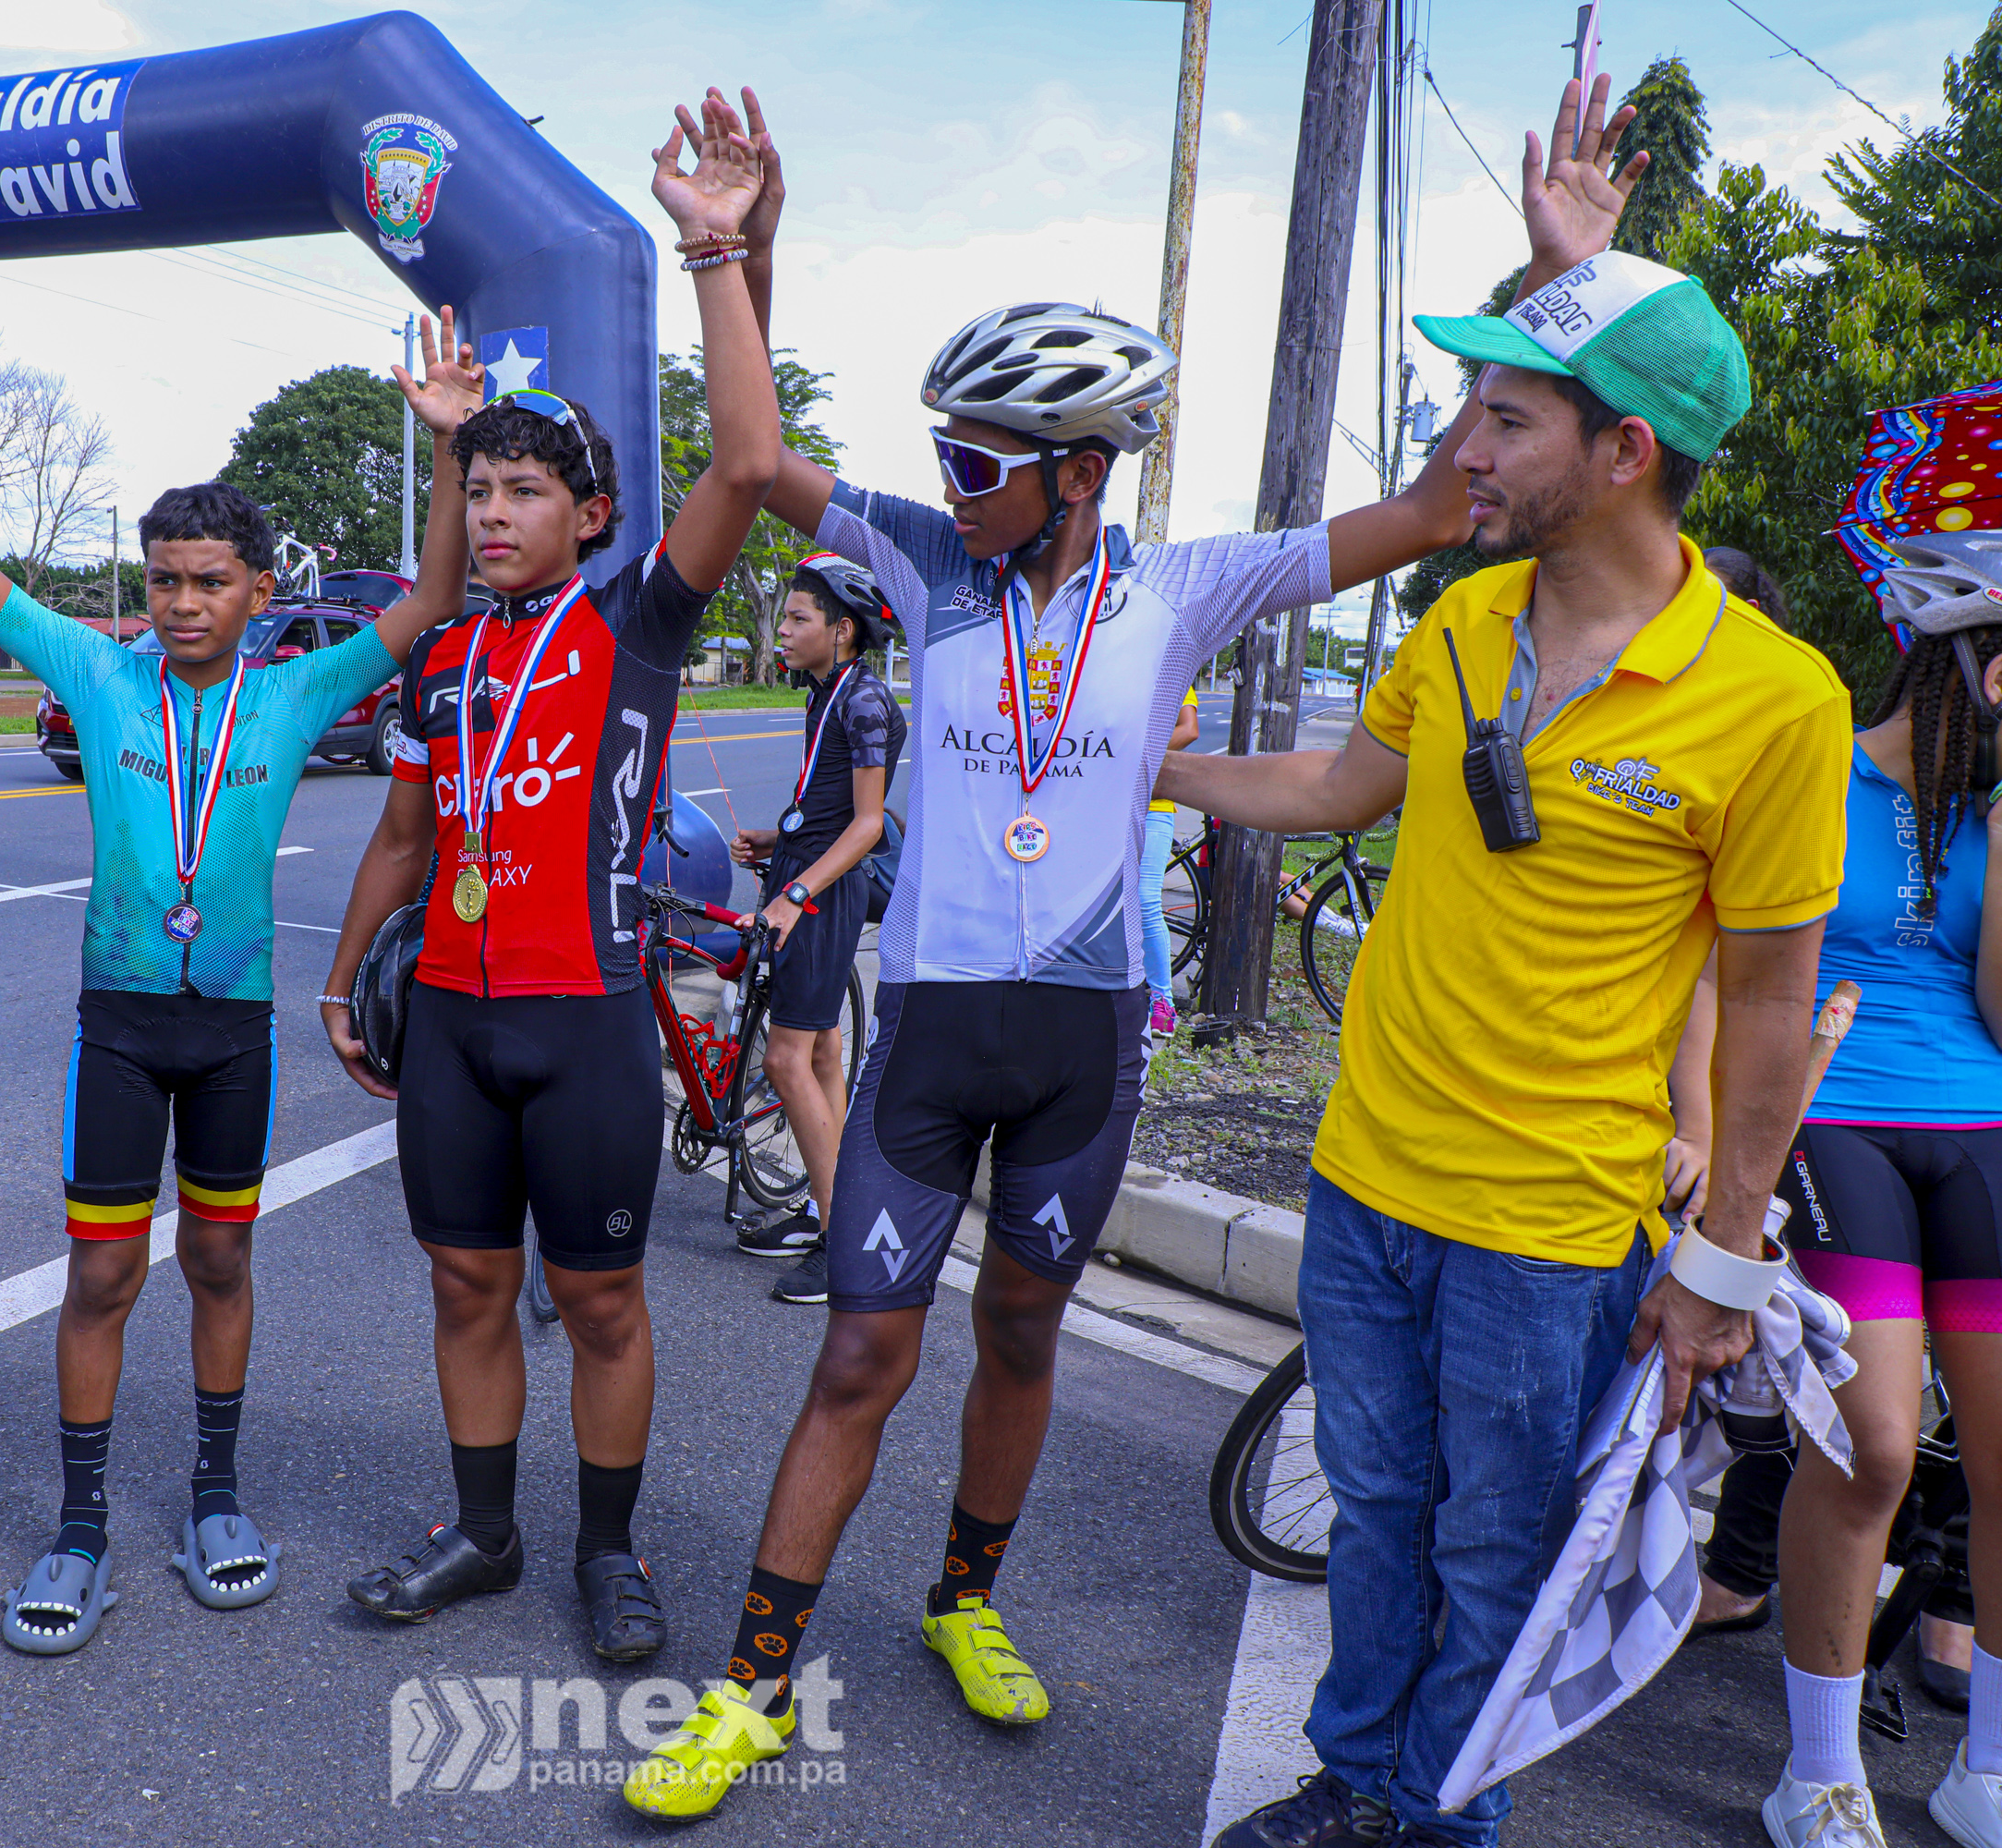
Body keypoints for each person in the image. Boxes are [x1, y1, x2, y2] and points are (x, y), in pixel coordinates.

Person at [620, 76, 1632, 1824]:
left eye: (982, 461)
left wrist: (1551, 285)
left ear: (1081, 472)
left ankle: (965, 1601)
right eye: (944, 452)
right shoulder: (916, 561)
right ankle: (751, 1686)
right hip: (932, 1036)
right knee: (862, 1353)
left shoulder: (1185, 588)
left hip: (1084, 1045)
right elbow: (755, 457)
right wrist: (722, 253)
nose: (950, 482)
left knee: (1023, 1334)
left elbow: (1432, 505)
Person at [1173, 216, 1852, 1848]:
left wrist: (1726, 1258)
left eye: (1506, 419)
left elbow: (1769, 1000)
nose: (1462, 449)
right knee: (1379, 1516)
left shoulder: (1779, 701)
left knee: (1500, 1556)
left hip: (1551, 1231)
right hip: (1365, 1179)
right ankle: (1356, 1785)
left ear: (1625, 453)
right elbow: (1344, 786)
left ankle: (1439, 1822)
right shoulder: (1466, 620)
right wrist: (1149, 765)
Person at [0, 249, 479, 1645]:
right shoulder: (98, 669)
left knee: (220, 1265)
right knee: (100, 1274)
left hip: (233, 1030)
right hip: (123, 1028)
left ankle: (214, 1496)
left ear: (257, 588)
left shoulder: (303, 687)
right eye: (164, 581)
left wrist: (448, 449)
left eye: (209, 582)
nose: (182, 603)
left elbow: (435, 593)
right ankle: (79, 1527)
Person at [316, 97, 778, 1662]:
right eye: (479, 492)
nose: (496, 514)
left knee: (600, 1304)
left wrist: (714, 253)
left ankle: (608, 1551)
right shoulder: (442, 658)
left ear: (589, 517)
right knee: (464, 1286)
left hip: (585, 1016)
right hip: (450, 1017)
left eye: (525, 493)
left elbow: (749, 459)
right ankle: (486, 1534)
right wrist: (343, 981)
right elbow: (403, 840)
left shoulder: (634, 622)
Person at [1755, 530, 2002, 1848]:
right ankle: (1817, 1773)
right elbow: (1739, 965)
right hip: (1837, 1110)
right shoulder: (1818, 766)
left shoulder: (1995, 809)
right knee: (1876, 1448)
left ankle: (1988, 1773)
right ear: (1981, 667)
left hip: (1982, 1119)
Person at [727, 551, 905, 1304]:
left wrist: (795, 893)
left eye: (798, 619)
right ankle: (826, 1211)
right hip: (806, 877)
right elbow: (828, 808)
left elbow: (868, 825)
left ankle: (842, 1247)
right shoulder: (826, 692)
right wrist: (779, 839)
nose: (784, 631)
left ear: (843, 630)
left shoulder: (862, 702)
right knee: (824, 1051)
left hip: (822, 897)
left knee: (786, 1060)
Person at [1141, 687, 1202, 1032]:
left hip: (1152, 804)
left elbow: (1189, 728)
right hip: (1100, 801)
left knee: (1145, 900)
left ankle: (1161, 1000)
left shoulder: (1165, 668)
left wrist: (1134, 757)